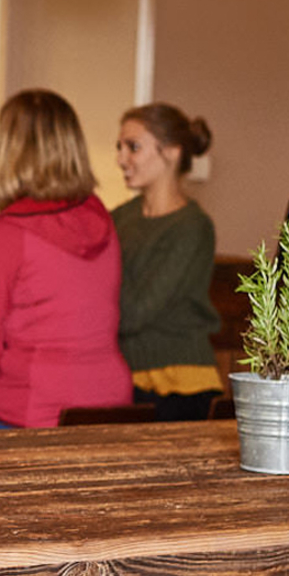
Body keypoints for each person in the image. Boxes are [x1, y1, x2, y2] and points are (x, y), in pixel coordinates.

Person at [0, 88, 131, 429]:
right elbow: (48, 266)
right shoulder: (98, 216)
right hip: (108, 405)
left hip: (31, 411)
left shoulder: (6, 233)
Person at [113, 102, 221, 421]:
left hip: (180, 384)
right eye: (119, 147)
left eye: (133, 147)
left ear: (172, 152)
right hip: (126, 376)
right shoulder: (120, 217)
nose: (121, 159)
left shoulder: (192, 227)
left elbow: (136, 312)